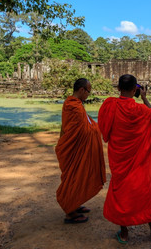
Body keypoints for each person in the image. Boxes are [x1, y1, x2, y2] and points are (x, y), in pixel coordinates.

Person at [98, 74, 151, 244]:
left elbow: (104, 132)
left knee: (122, 192)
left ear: (118, 88)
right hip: (140, 160)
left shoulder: (109, 105)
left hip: (120, 159)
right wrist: (145, 98)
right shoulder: (142, 111)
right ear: (135, 90)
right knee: (145, 190)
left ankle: (124, 234)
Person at [55, 78, 106, 224]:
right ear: (82, 90)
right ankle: (70, 212)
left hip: (79, 148)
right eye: (88, 91)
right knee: (74, 177)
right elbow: (79, 130)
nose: (89, 95)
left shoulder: (75, 104)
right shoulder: (73, 106)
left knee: (79, 176)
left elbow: (83, 125)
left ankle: (75, 203)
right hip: (75, 149)